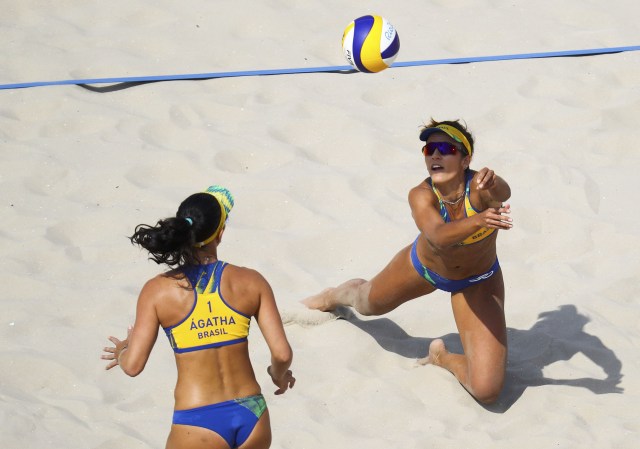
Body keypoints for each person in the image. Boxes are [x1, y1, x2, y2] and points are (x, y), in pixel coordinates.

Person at [303, 120, 512, 404]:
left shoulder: (479, 188)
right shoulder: (421, 194)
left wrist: (495, 181)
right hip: (425, 268)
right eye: (430, 149)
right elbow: (438, 236)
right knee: (367, 305)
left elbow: (503, 194)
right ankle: (336, 293)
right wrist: (478, 220)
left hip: (478, 280)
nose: (435, 155)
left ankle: (442, 357)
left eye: (446, 148)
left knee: (487, 391)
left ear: (466, 159)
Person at [102, 185, 295, 449]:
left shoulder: (157, 291)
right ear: (221, 233)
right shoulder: (252, 281)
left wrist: (124, 350)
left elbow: (133, 366)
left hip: (197, 421)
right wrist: (277, 374)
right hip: (252, 415)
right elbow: (282, 354)